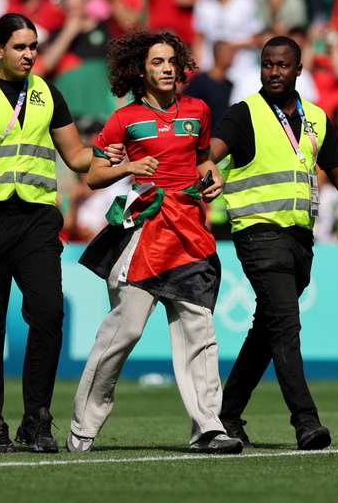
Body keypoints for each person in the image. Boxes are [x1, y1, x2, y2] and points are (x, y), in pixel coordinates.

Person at [210, 36, 338, 450]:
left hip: (299, 239)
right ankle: (306, 423)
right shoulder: (244, 115)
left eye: (282, 65)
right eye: (267, 64)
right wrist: (207, 167)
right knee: (286, 328)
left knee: (267, 330)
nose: (274, 72)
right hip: (257, 232)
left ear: (298, 70)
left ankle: (227, 414)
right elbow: (211, 153)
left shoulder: (316, 119)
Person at [69, 31, 242, 455]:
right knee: (123, 332)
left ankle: (208, 428)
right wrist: (129, 164)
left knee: (199, 330)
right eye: (157, 63)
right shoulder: (124, 120)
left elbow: (202, 158)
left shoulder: (199, 110)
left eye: (171, 61)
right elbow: (92, 176)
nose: (166, 68)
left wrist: (212, 173)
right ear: (140, 71)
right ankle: (82, 428)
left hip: (190, 233)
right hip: (143, 233)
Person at [0, 13, 101, 454]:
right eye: (19, 47)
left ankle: (37, 418)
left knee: (48, 314)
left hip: (36, 220)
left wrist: (115, 155)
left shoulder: (48, 93)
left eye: (33, 46)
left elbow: (78, 158)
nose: (29, 54)